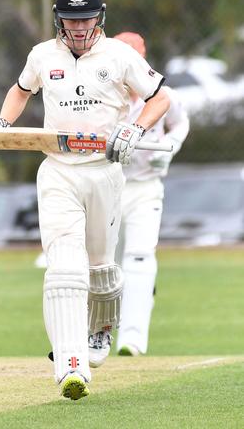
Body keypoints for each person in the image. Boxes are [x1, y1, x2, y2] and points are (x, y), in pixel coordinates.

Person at [0, 0, 170, 400]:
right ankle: (70, 364)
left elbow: (160, 97)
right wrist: (0, 127)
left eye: (86, 19)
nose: (78, 28)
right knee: (63, 265)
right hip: (58, 168)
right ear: (59, 19)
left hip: (104, 171)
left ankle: (99, 329)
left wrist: (134, 128)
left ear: (100, 17)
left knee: (101, 270)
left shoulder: (119, 55)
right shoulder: (43, 55)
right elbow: (20, 91)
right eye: (71, 20)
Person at [112, 32, 189, 357]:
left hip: (145, 187)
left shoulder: (162, 94)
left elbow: (180, 124)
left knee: (140, 257)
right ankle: (100, 331)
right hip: (109, 186)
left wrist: (170, 147)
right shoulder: (104, 95)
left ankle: (132, 340)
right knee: (107, 265)